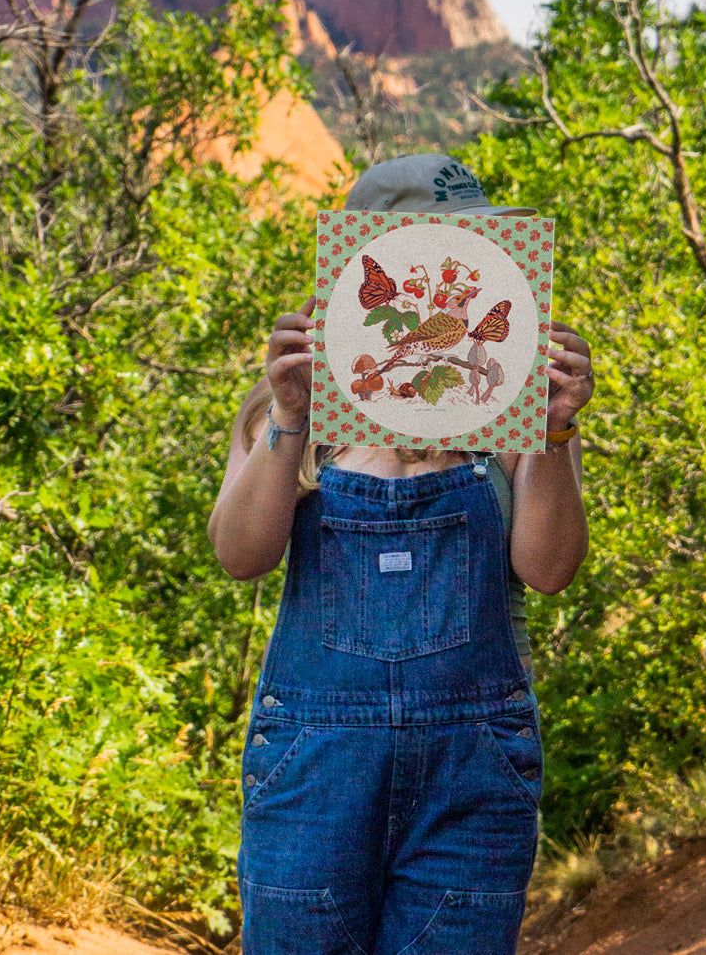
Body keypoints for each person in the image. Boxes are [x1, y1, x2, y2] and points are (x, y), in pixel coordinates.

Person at [208, 154, 594, 955]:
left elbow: (549, 570)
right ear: (362, 262)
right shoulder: (293, 400)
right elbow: (240, 555)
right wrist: (286, 415)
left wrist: (556, 426)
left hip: (473, 770)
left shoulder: (515, 400)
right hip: (314, 769)